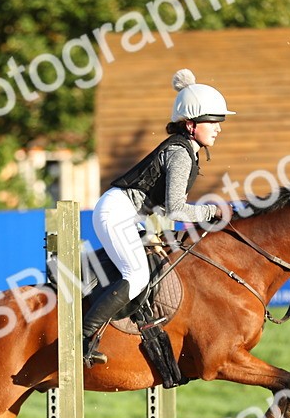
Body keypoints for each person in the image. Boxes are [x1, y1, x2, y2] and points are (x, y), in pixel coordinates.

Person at [82, 69, 234, 365]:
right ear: (191, 125)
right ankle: (84, 337)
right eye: (212, 122)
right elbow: (176, 209)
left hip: (128, 213)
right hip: (117, 212)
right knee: (136, 276)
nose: (218, 128)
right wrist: (210, 211)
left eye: (220, 122)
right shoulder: (180, 153)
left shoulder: (187, 150)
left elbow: (163, 209)